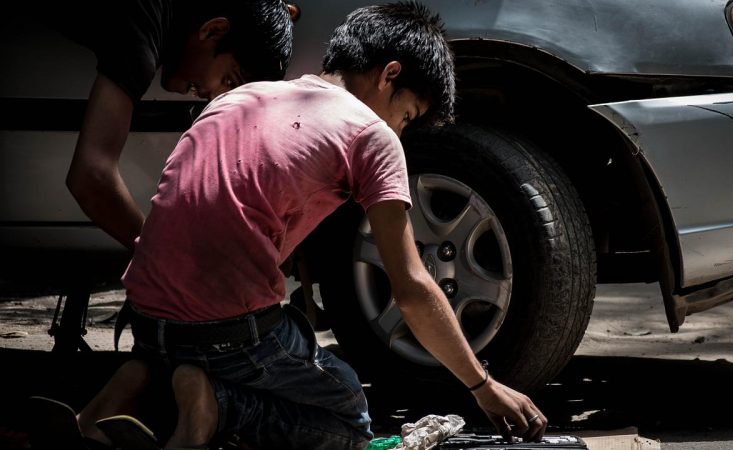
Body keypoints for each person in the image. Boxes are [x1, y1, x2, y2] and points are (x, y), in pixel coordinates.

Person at [72, 2, 548, 449]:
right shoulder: (372, 136)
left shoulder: (243, 96)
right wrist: (483, 386)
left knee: (236, 343)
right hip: (223, 331)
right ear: (389, 75)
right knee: (347, 417)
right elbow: (412, 289)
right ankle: (217, 408)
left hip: (146, 317)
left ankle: (139, 379)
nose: (400, 129)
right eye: (407, 115)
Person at [34, 0, 293, 250]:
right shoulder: (142, 26)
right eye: (228, 81)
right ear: (214, 30)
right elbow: (92, 177)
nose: (214, 98)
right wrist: (168, 258)